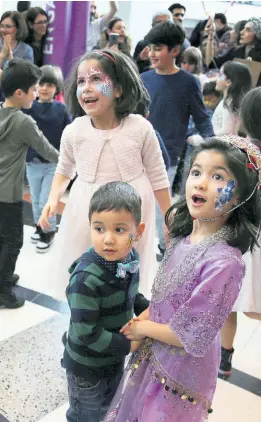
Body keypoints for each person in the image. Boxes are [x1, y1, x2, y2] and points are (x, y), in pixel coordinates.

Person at [105, 134, 261, 422]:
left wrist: (144, 329)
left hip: (181, 369)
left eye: (218, 177)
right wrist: (143, 320)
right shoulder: (181, 235)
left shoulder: (225, 262)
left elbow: (192, 335)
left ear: (239, 195)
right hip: (155, 349)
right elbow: (165, 293)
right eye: (197, 172)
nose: (201, 182)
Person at [38, 49, 171, 298]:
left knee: (126, 271)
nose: (86, 88)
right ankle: (85, 317)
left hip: (132, 209)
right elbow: (64, 168)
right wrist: (53, 198)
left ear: (118, 89)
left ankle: (123, 313)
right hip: (87, 209)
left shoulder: (140, 128)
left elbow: (158, 174)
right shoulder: (74, 131)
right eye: (81, 81)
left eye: (96, 79)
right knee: (86, 270)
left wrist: (168, 216)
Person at [62, 181, 149, 422]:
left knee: (108, 410)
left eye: (119, 230)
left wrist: (147, 306)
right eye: (99, 229)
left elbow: (130, 295)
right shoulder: (85, 278)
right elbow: (86, 332)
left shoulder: (130, 258)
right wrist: (128, 346)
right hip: (86, 368)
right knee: (86, 415)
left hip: (112, 357)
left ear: (138, 232)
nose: (108, 239)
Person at [140, 21, 214, 251]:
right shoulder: (144, 78)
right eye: (150, 48)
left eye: (158, 48)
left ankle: (165, 245)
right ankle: (134, 247)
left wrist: (212, 145)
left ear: (174, 50)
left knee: (161, 206)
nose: (151, 53)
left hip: (167, 156)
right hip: (138, 152)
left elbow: (202, 118)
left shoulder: (189, 82)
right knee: (137, 202)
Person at [0, 58, 59, 309]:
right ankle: (2, 290)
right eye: (34, 89)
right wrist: (70, 164)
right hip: (9, 194)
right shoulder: (24, 122)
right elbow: (47, 151)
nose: (36, 93)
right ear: (19, 93)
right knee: (13, 241)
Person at [220, 87, 261, 375]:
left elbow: (225, 196)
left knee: (228, 301)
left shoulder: (240, 153)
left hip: (239, 236)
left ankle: (224, 355)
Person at [23, 65, 71, 253]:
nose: (44, 88)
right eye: (41, 84)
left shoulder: (61, 110)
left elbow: (69, 133)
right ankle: (39, 226)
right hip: (32, 163)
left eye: (49, 84)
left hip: (54, 165)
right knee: (35, 199)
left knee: (46, 200)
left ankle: (48, 231)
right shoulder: (29, 107)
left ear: (56, 88)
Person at [189, 61, 252, 147]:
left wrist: (204, 138)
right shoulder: (230, 100)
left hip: (219, 146)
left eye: (220, 75)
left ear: (228, 82)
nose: (216, 78)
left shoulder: (229, 103)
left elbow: (227, 131)